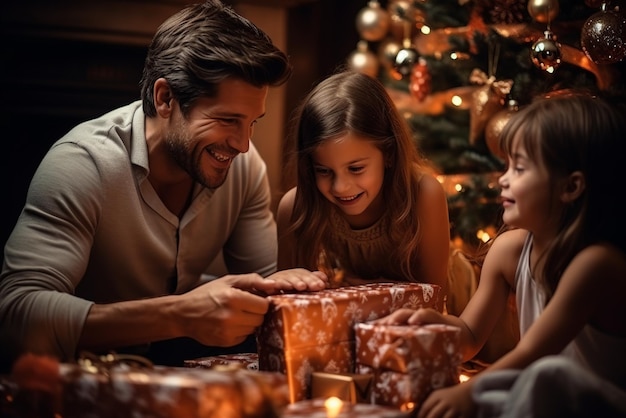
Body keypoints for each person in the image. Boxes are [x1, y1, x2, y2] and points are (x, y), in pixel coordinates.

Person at [0, 0, 328, 371]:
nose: (243, 144)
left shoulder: (244, 167)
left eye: (252, 122)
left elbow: (265, 284)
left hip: (172, 372)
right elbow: (15, 317)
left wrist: (288, 288)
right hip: (70, 381)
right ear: (165, 98)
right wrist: (181, 314)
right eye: (227, 120)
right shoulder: (82, 163)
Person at [376, 90, 626, 417]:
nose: (503, 180)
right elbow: (470, 337)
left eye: (519, 169)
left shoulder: (596, 263)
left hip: (600, 403)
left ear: (571, 187)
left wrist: (468, 390)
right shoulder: (509, 249)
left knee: (547, 376)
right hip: (544, 399)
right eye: (506, 166)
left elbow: (535, 353)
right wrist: (436, 324)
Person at [277, 70, 450, 294]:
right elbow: (288, 302)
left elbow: (433, 297)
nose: (340, 186)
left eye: (356, 168)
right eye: (323, 170)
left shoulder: (423, 194)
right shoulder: (294, 208)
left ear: (388, 153)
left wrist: (361, 291)